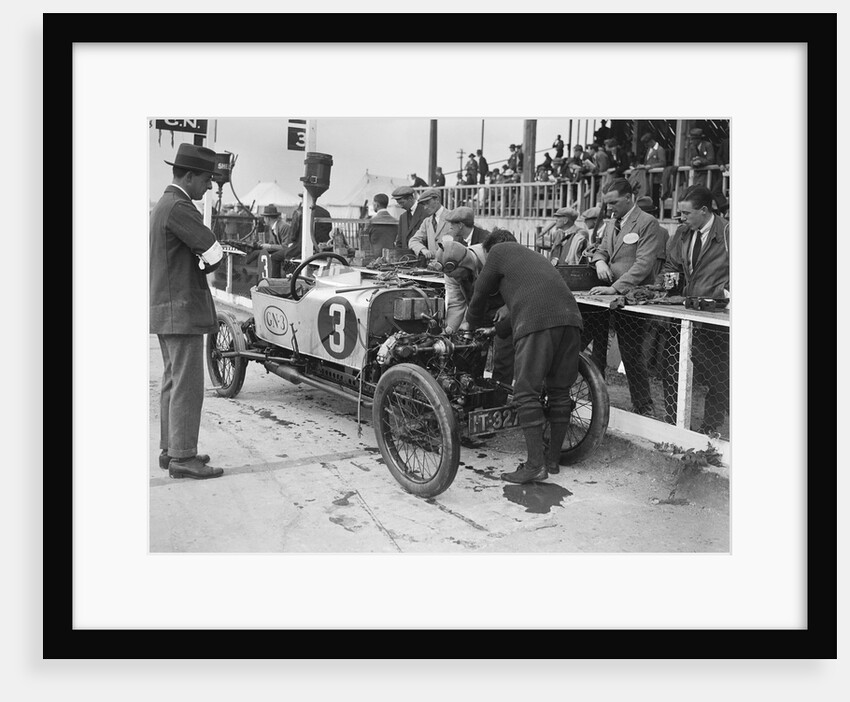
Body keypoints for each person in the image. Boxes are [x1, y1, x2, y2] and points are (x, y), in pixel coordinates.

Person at [461, 240, 584, 484]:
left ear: (486, 250)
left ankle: (534, 466)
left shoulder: (497, 251)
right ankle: (552, 461)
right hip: (571, 319)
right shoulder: (532, 259)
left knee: (526, 392)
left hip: (538, 323)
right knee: (560, 392)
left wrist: (470, 325)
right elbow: (530, 301)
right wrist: (496, 330)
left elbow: (480, 293)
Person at [150, 143, 225, 480]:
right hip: (182, 310)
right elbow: (214, 252)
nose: (208, 186)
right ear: (190, 176)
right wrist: (203, 262)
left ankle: (171, 449)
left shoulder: (163, 205)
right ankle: (183, 457)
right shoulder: (181, 207)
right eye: (206, 180)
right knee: (188, 385)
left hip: (165, 309)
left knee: (172, 381)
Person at [587, 178, 664, 416]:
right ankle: (595, 398)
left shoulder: (647, 222)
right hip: (605, 296)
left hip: (631, 298)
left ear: (629, 198)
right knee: (597, 350)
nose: (609, 208)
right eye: (607, 203)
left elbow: (643, 264)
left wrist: (615, 288)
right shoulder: (612, 222)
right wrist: (599, 261)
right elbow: (602, 249)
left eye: (613, 202)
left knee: (631, 353)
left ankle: (643, 405)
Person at [660, 186, 730, 434]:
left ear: (704, 210)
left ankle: (711, 428)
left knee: (717, 374)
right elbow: (671, 264)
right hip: (685, 310)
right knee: (671, 365)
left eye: (686, 213)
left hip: (715, 315)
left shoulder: (728, 232)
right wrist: (669, 289)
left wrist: (724, 294)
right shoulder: (682, 232)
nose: (681, 218)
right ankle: (673, 421)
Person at [271, 194, 332, 264]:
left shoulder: (299, 212)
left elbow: (293, 236)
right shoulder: (325, 212)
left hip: (301, 250)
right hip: (323, 250)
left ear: (303, 199)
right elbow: (329, 231)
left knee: (275, 257)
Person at [408, 188, 450, 260]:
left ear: (437, 199)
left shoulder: (452, 217)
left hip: (451, 263)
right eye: (423, 205)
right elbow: (413, 241)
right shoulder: (427, 222)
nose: (425, 207)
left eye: (427, 203)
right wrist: (423, 249)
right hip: (433, 265)